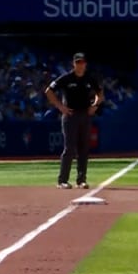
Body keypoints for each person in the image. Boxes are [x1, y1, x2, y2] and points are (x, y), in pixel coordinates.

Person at [45, 52, 103, 189]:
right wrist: (60, 107)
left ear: (85, 64)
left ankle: (81, 180)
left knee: (83, 148)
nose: (80, 65)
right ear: (73, 64)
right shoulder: (66, 78)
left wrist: (94, 106)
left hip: (85, 115)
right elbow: (49, 91)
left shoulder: (90, 79)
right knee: (70, 148)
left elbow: (100, 94)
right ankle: (62, 180)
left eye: (82, 62)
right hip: (70, 116)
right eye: (78, 63)